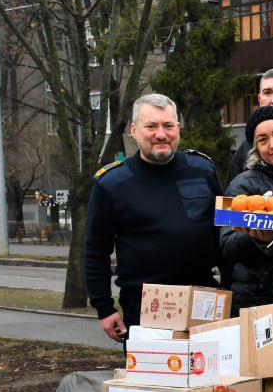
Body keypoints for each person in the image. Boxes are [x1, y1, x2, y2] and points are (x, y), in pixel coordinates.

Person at [84, 93, 221, 340]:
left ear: (178, 128)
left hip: (204, 299)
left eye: (168, 125)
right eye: (151, 126)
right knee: (154, 377)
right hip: (146, 307)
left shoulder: (202, 170)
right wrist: (104, 307)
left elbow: (222, 234)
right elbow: (95, 251)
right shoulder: (112, 183)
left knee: (211, 375)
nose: (161, 134)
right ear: (134, 130)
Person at [220, 106, 273, 314]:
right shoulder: (242, 186)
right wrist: (257, 239)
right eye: (263, 140)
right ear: (255, 147)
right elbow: (226, 246)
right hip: (257, 298)